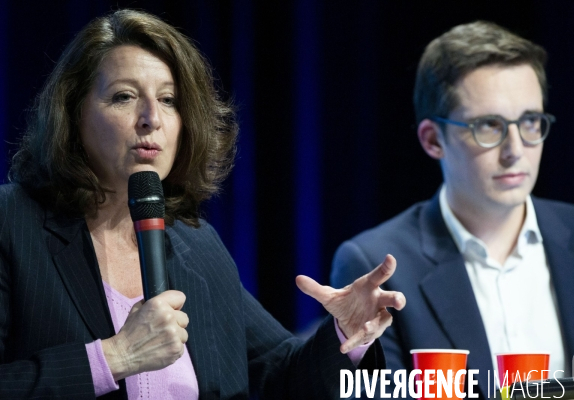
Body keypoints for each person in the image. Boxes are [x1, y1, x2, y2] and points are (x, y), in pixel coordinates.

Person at [0, 9, 406, 399]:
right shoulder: (12, 223)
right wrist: (115, 357)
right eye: (124, 97)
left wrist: (344, 332)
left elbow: (283, 373)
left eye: (169, 100)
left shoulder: (197, 244)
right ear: (73, 113)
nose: (151, 118)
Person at [331, 21, 574, 398]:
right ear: (432, 139)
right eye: (488, 126)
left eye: (529, 122)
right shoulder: (377, 266)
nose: (515, 150)